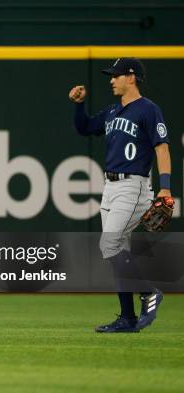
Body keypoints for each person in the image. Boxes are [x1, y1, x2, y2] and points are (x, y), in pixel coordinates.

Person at [69, 57, 172, 333]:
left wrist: (165, 187)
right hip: (111, 187)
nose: (111, 80)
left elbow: (162, 147)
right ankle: (127, 319)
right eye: (110, 75)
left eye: (116, 75)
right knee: (119, 251)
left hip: (134, 186)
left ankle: (149, 293)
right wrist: (79, 105)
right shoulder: (113, 111)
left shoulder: (148, 110)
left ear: (132, 77)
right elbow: (85, 128)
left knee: (109, 245)